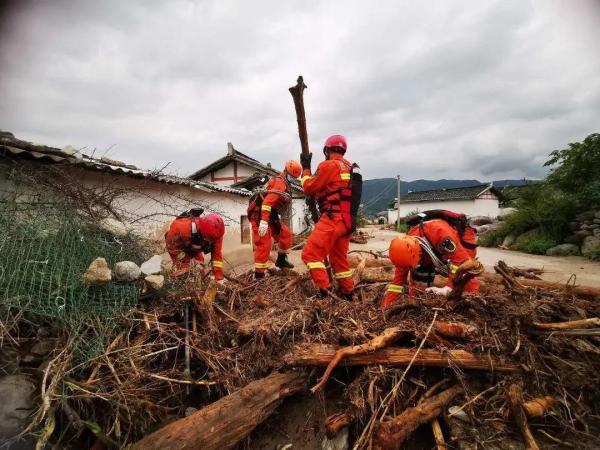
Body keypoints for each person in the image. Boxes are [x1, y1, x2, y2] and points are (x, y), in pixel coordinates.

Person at [300, 134, 361, 300]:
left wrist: (305, 168)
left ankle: (325, 292)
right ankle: (348, 294)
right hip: (348, 221)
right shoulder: (349, 167)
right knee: (339, 260)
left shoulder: (328, 165)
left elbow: (308, 187)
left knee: (310, 255)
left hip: (333, 218)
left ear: (327, 150)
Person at [382, 211, 479, 308]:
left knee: (467, 275)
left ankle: (473, 304)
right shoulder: (404, 250)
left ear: (419, 253)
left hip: (462, 237)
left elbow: (463, 262)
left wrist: (448, 287)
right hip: (429, 247)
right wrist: (386, 307)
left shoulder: (440, 234)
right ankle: (419, 306)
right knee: (418, 279)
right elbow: (397, 284)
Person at [247, 160, 302, 279]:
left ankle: (281, 260)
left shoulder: (285, 184)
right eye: (291, 177)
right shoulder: (280, 183)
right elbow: (267, 203)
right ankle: (259, 275)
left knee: (285, 234)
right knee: (264, 244)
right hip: (259, 213)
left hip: (271, 214)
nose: (292, 179)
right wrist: (263, 222)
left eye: (294, 178)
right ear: (286, 172)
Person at [165, 209, 226, 282]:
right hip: (178, 247)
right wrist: (186, 260)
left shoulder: (216, 235)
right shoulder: (180, 227)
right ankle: (177, 284)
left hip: (194, 246)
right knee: (185, 270)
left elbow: (217, 256)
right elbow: (173, 249)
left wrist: (218, 277)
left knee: (200, 266)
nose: (211, 242)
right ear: (200, 231)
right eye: (208, 239)